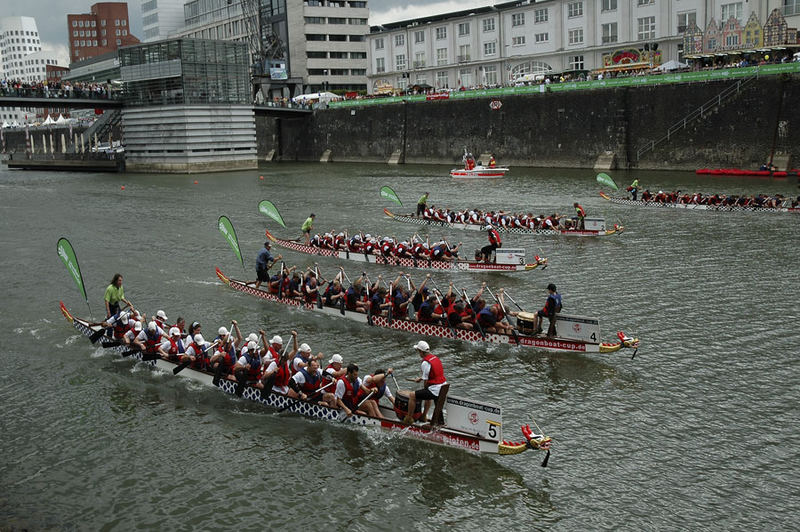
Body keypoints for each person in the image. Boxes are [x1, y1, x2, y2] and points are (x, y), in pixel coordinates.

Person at [404, 341, 447, 425]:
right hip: (444, 387)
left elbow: (426, 382)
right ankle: (429, 419)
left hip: (436, 390)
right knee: (428, 395)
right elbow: (434, 374)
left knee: (412, 395)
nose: (418, 353)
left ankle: (409, 419)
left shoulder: (425, 363)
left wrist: (425, 387)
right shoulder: (435, 358)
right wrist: (421, 378)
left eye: (418, 351)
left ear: (421, 352)